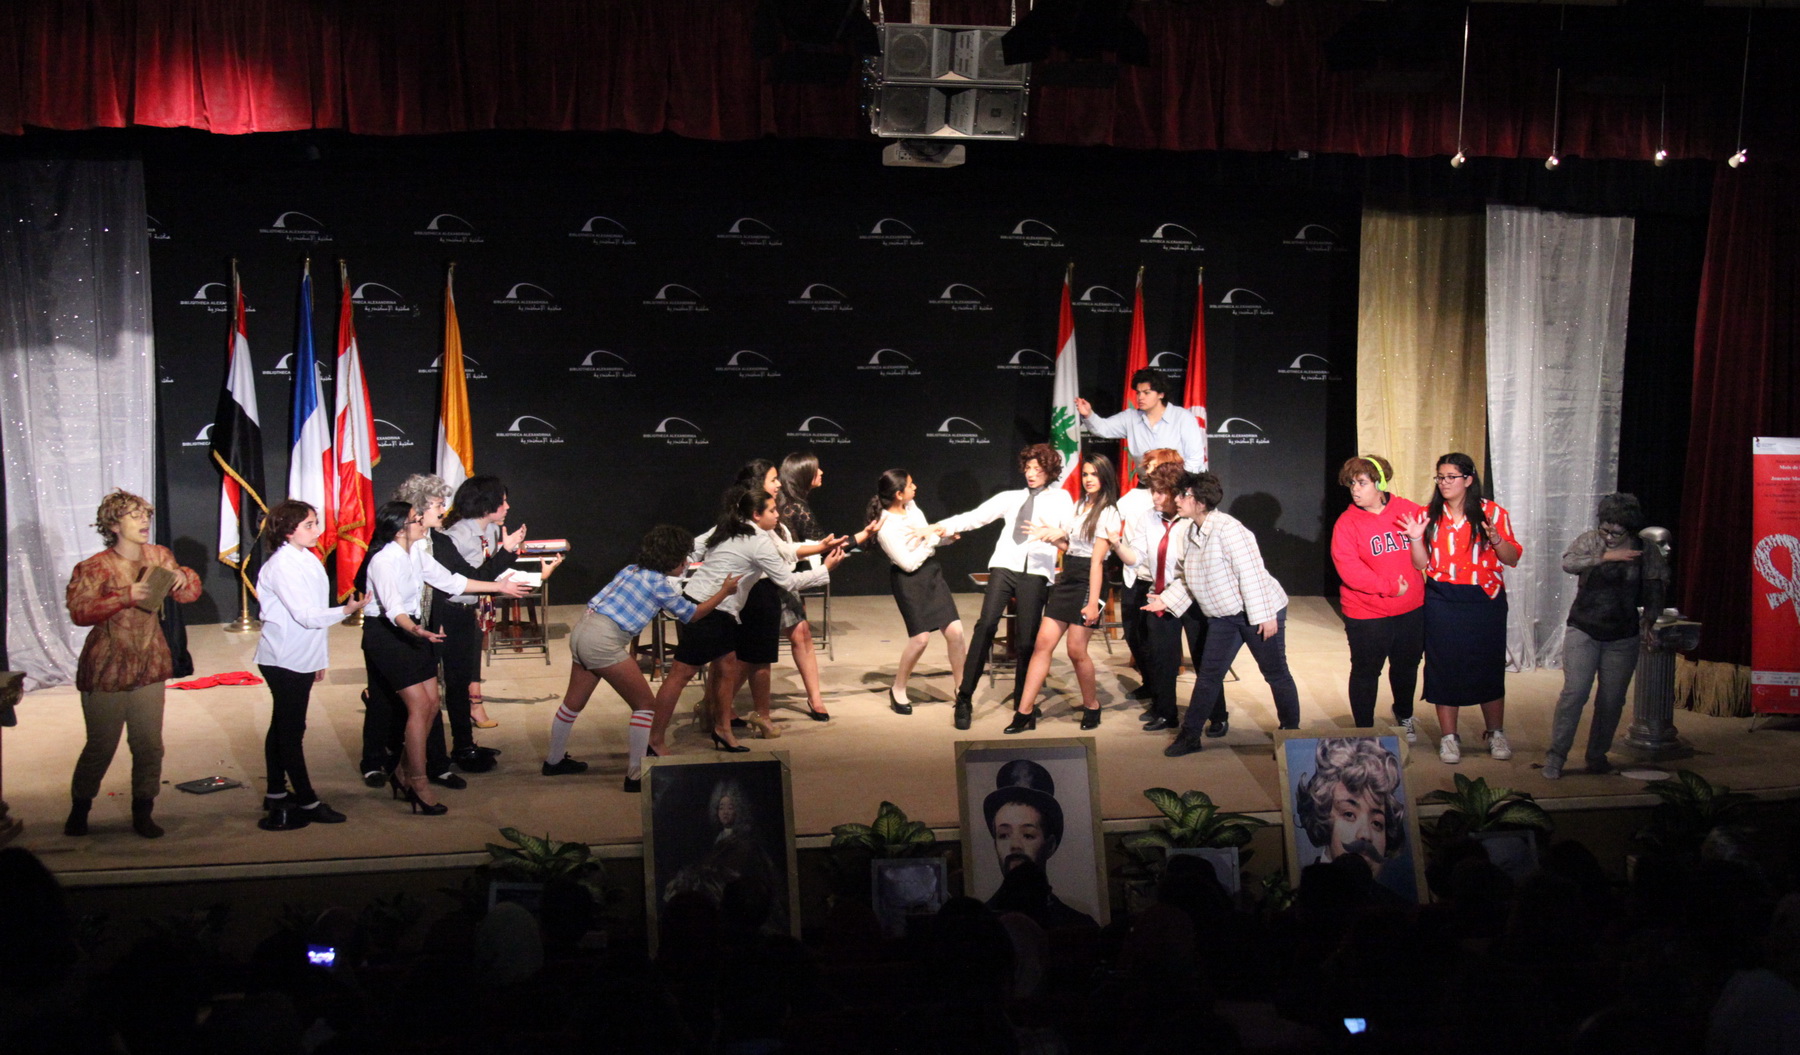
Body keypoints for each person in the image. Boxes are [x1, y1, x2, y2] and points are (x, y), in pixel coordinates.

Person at [355, 500, 526, 815]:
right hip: (390, 635)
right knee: (419, 705)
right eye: (415, 519)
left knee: (432, 704)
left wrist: (497, 587)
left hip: (416, 630)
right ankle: (418, 783)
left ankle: (403, 770)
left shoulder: (417, 553)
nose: (422, 522)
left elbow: (451, 581)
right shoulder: (383, 560)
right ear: (400, 529)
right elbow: (393, 609)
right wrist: (415, 630)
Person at [545, 525, 741, 791]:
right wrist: (724, 592)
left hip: (583, 631)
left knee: (573, 703)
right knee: (646, 706)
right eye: (683, 558)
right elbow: (692, 614)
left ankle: (553, 761)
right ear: (670, 558)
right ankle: (636, 776)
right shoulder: (659, 584)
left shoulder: (632, 569)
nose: (686, 563)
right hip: (603, 640)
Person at [654, 487, 845, 752]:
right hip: (709, 609)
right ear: (756, 514)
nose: (777, 515)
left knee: (727, 666)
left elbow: (695, 548)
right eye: (772, 510)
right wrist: (825, 569)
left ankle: (722, 729)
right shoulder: (756, 539)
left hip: (712, 606)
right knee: (680, 675)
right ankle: (655, 740)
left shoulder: (729, 526)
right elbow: (787, 581)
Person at [63, 489, 202, 838]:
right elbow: (80, 612)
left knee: (149, 745)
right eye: (134, 515)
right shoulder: (95, 566)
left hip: (149, 660)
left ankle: (143, 810)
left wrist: (183, 576)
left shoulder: (158, 555)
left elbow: (189, 595)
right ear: (113, 525)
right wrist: (124, 596)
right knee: (101, 746)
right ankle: (80, 807)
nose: (144, 521)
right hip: (107, 665)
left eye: (146, 515)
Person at [1149, 471, 1302, 756]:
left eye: (1184, 495)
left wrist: (1265, 615)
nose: (1177, 500)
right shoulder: (1190, 531)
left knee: (1275, 673)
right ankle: (1190, 736)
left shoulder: (1229, 529)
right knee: (1208, 675)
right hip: (1224, 616)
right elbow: (1188, 577)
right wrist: (1166, 600)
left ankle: (1291, 738)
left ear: (1201, 501)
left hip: (1258, 611)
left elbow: (1252, 573)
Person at [928, 444, 1075, 730]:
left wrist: (1059, 533)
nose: (1031, 474)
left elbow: (1072, 532)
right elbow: (974, 517)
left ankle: (1024, 702)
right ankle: (964, 697)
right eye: (1028, 468)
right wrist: (938, 527)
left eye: (1037, 469)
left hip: (1036, 571)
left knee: (1027, 639)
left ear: (1049, 471)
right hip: (1005, 566)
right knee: (985, 626)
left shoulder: (1062, 499)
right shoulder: (1011, 497)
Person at [1398, 453, 1523, 765]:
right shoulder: (1428, 514)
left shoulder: (1492, 512)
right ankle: (1449, 737)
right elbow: (1421, 564)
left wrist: (1496, 539)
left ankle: (1495, 732)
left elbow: (1511, 558)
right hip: (1442, 598)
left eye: (1451, 477)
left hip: (1485, 598)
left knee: (1487, 664)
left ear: (1468, 479)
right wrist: (1415, 539)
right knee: (1443, 665)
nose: (1444, 483)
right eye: (1440, 477)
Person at [253, 499, 368, 831]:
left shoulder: (306, 557)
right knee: (291, 731)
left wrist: (319, 659)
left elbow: (313, 614)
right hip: (284, 659)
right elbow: (306, 616)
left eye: (316, 522)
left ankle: (276, 792)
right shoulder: (282, 566)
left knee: (282, 726)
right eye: (309, 525)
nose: (318, 529)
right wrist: (346, 611)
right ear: (288, 531)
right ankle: (307, 800)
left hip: (300, 656)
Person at [424, 474, 545, 773]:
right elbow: (471, 579)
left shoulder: (490, 530)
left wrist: (515, 562)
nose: (507, 506)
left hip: (469, 611)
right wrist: (506, 554)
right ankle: (454, 749)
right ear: (486, 503)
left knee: (461, 681)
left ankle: (464, 744)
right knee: (448, 683)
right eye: (502, 501)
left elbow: (488, 575)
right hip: (448, 612)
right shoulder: (456, 535)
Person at [1542, 493, 1664, 780]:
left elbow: (1655, 587)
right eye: (1604, 529)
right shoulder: (1590, 541)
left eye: (1616, 532)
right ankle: (1556, 756)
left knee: (1611, 700)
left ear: (1630, 529)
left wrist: (1650, 621)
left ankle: (1597, 755)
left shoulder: (1645, 550)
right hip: (1583, 628)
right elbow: (1569, 563)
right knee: (1575, 693)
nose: (1608, 536)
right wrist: (1605, 557)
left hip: (1622, 634)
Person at [1005, 452, 1123, 733]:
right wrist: (1052, 537)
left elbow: (1096, 562)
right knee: (1042, 644)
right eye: (1085, 474)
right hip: (1068, 576)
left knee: (1075, 650)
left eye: (1094, 474)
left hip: (1089, 581)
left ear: (1105, 477)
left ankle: (1092, 705)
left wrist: (1093, 603)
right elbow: (1072, 548)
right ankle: (1024, 712)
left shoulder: (1109, 512)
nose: (1088, 479)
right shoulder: (1079, 505)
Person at [776, 452, 879, 721]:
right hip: (774, 581)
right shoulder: (796, 508)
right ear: (803, 475)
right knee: (751, 654)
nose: (822, 473)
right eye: (817, 469)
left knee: (801, 635)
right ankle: (718, 705)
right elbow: (827, 547)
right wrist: (865, 534)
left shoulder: (789, 503)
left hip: (786, 579)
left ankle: (816, 699)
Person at [1329, 455, 1425, 740]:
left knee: (1407, 667)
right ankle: (1365, 730)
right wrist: (1390, 587)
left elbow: (1429, 547)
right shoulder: (1346, 523)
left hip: (1410, 609)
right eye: (1351, 484)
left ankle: (1404, 715)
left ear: (1380, 483)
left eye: (1361, 483)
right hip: (1366, 612)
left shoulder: (1407, 510)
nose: (1355, 489)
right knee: (1366, 671)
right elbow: (1350, 571)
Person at [1117, 462, 1206, 732]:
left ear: (1177, 493)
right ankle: (1165, 712)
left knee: (1203, 658)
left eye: (1161, 492)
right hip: (1159, 596)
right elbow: (1136, 557)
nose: (1155, 497)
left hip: (1192, 596)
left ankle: (1217, 714)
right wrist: (1116, 545)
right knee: (1161, 658)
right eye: (1153, 491)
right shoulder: (1149, 517)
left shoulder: (1192, 520)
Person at [871, 469, 967, 714]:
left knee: (955, 631)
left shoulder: (912, 508)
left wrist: (946, 538)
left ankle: (962, 690)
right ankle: (898, 688)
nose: (915, 488)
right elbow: (908, 563)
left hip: (931, 573)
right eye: (910, 485)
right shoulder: (885, 527)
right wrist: (933, 540)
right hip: (909, 581)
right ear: (898, 494)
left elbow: (926, 538)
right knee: (920, 639)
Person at [981, 760, 1097, 928]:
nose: (1015, 845)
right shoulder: (981, 926)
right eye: (1004, 835)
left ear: (1050, 846)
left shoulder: (1077, 927)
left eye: (1028, 835)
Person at [1294, 737, 1415, 900]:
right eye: (1349, 814)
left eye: (1377, 823)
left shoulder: (1397, 907)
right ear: (1323, 820)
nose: (1365, 834)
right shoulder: (1303, 902)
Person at [1115, 448, 1186, 704]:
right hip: (1137, 576)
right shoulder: (1135, 500)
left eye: (1153, 466)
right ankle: (1152, 686)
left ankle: (1165, 697)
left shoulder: (1183, 507)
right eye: (1146, 467)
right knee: (1134, 634)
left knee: (1162, 643)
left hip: (1170, 584)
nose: (1147, 471)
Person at [1074, 368, 1208, 472]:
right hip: (1146, 485)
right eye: (1138, 392)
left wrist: (1182, 488)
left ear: (1161, 394)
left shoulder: (1183, 417)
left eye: (1146, 393)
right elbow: (1103, 429)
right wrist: (1088, 414)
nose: (1140, 397)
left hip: (1179, 485)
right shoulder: (1130, 418)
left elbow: (1195, 459)